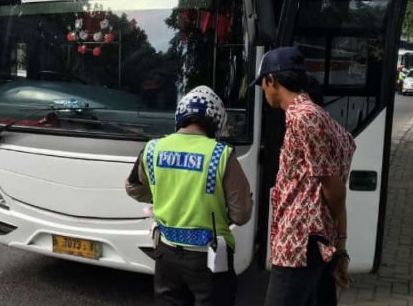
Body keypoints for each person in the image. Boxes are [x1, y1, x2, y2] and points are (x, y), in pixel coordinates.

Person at [125, 85, 253, 306]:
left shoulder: (153, 148)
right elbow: (241, 214)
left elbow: (132, 188)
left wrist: (163, 195)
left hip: (166, 254)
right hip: (209, 259)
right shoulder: (221, 154)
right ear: (216, 120)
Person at [250, 47, 356, 306]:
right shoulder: (320, 116)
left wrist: (341, 243)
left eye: (262, 85)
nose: (263, 91)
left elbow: (332, 185)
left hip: (300, 242)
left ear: (272, 80)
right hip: (313, 240)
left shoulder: (304, 117)